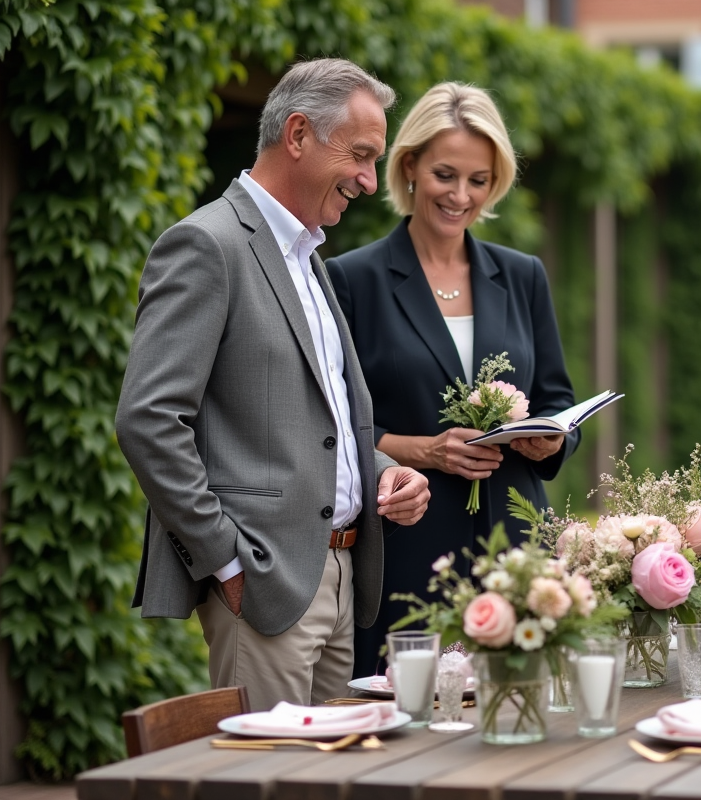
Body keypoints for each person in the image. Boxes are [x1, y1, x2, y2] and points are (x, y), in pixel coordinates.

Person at [116, 58, 430, 711]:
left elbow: (315, 422)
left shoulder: (308, 256)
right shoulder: (207, 245)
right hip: (264, 587)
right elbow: (148, 419)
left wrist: (381, 471)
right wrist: (227, 563)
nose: (371, 183)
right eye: (362, 156)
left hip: (344, 578)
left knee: (342, 779)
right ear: (297, 135)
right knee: (271, 782)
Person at [326, 82, 581, 677]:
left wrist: (554, 438)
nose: (460, 195)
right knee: (404, 730)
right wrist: (423, 451)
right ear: (409, 165)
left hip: (517, 550)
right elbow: (331, 424)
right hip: (408, 551)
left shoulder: (523, 276)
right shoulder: (350, 279)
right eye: (446, 174)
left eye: (479, 180)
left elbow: (556, 398)